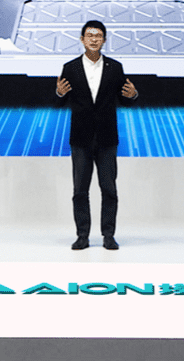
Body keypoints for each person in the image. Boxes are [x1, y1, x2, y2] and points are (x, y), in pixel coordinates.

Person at [56, 20, 138, 250]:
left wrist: (133, 95)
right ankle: (82, 236)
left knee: (109, 189)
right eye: (90, 35)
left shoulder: (115, 67)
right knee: (80, 191)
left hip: (107, 138)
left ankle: (108, 235)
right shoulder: (70, 68)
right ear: (82, 39)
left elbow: (124, 98)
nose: (94, 39)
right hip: (80, 138)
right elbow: (60, 100)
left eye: (98, 35)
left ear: (104, 40)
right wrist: (58, 94)